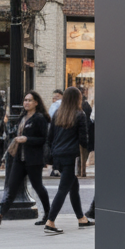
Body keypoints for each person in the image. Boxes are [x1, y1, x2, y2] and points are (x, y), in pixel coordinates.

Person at [44, 87, 93, 233]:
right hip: (70, 156)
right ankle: (50, 222)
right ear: (78, 99)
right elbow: (83, 139)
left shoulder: (58, 113)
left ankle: (81, 218)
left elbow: (50, 136)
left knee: (74, 186)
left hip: (57, 155)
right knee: (63, 189)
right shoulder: (79, 114)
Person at [0, 91, 52, 226]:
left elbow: (43, 139)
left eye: (29, 100)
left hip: (33, 160)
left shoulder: (39, 118)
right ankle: (0, 215)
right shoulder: (22, 116)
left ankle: (48, 215)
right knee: (11, 188)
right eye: (25, 100)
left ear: (36, 103)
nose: (26, 103)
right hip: (19, 159)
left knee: (38, 186)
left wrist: (27, 139)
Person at [48, 90, 62, 175]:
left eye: (57, 96)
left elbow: (50, 116)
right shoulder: (66, 105)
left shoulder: (56, 105)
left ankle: (56, 168)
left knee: (55, 149)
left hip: (55, 130)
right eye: (54, 96)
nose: (55, 98)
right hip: (62, 131)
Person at [79, 90, 93, 177]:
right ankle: (82, 171)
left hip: (83, 131)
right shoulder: (86, 105)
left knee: (81, 153)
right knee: (84, 153)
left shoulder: (81, 106)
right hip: (87, 131)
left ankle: (81, 171)